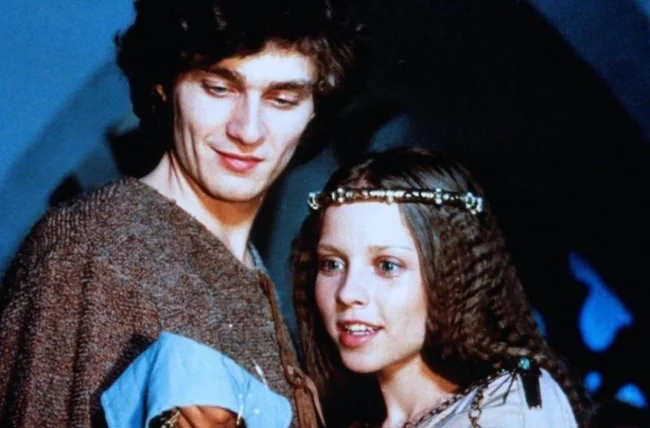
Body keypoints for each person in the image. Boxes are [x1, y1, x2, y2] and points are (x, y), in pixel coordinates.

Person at [0, 0, 364, 426]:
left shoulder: (250, 273)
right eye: (219, 88)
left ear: (313, 110)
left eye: (282, 99)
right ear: (164, 85)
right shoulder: (93, 249)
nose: (248, 130)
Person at [292, 147, 592, 427]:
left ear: (451, 275)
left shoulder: (509, 409)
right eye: (332, 264)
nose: (347, 293)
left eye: (387, 266)